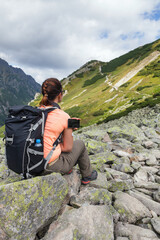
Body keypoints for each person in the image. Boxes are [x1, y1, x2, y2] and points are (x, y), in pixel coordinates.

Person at [40, 78, 97, 184]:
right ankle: (87, 175)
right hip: (47, 166)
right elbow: (67, 148)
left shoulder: (36, 111)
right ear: (59, 95)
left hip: (30, 163)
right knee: (80, 144)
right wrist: (68, 126)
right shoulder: (63, 116)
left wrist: (66, 127)